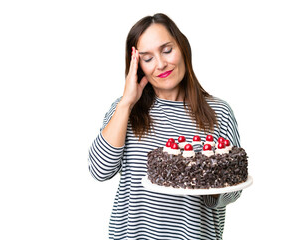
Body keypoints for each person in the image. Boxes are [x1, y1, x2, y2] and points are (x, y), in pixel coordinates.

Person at [88, 13, 242, 240]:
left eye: (167, 50)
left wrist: (208, 178)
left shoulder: (219, 112)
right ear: (137, 65)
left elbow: (232, 189)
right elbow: (100, 170)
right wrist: (126, 103)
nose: (160, 64)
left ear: (182, 47)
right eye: (147, 58)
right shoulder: (124, 110)